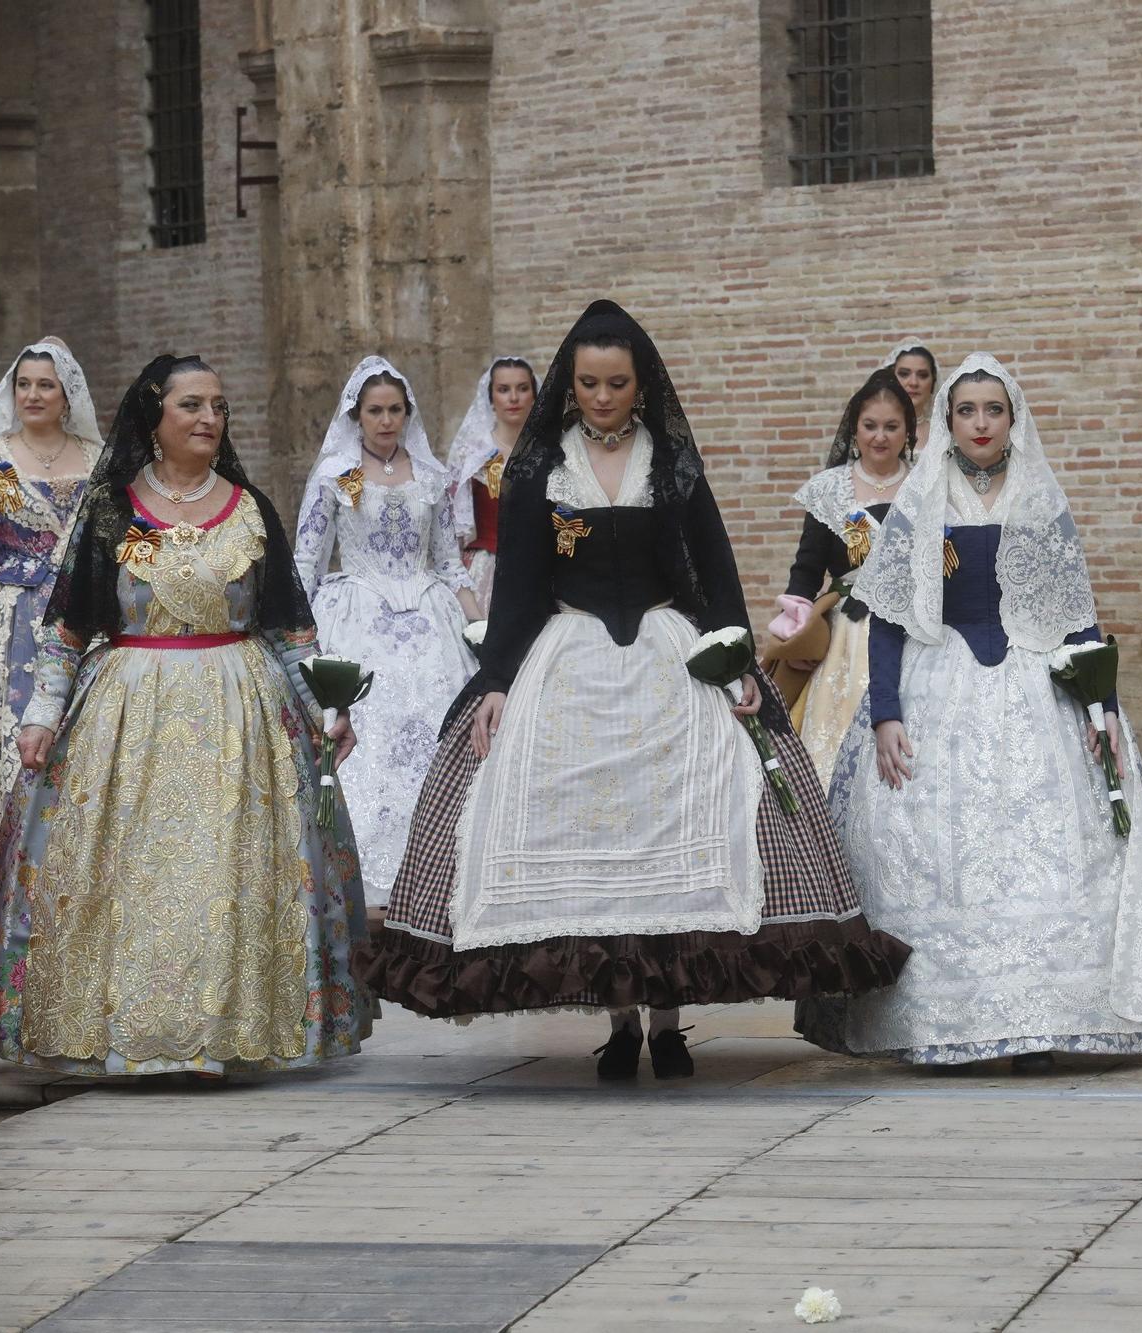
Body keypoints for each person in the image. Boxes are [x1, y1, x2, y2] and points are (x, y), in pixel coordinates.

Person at [364, 300, 909, 1083]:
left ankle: (667, 1021)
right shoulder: (538, 471)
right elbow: (519, 587)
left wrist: (735, 662)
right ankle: (618, 1022)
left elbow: (715, 573)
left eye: (616, 382)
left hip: (667, 654)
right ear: (571, 384)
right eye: (588, 382)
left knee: (674, 818)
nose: (601, 396)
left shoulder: (673, 464)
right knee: (594, 834)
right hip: (568, 659)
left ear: (639, 384)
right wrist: (495, 682)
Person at [796, 353, 1142, 1071]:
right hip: (937, 683)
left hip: (1034, 687)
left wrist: (1100, 709)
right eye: (966, 410)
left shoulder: (1040, 498)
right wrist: (887, 712)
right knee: (934, 851)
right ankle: (934, 1020)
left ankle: (1042, 1022)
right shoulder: (923, 502)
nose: (981, 422)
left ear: (1013, 419)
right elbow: (890, 618)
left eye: (993, 409)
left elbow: (1076, 616)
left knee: (1044, 849)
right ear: (948, 422)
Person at [0, 354, 370, 1077]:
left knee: (230, 872)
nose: (209, 419)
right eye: (192, 405)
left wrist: (327, 707)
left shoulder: (251, 508)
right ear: (154, 418)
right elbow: (67, 625)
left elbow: (292, 628)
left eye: (219, 406)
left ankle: (222, 1032)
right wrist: (41, 715)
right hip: (127, 714)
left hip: (240, 713)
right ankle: (134, 1032)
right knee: (127, 871)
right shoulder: (111, 508)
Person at [294, 356, 477, 910]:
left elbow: (450, 563)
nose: (386, 420)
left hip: (431, 621)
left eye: (395, 409)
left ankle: (443, 868)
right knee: (364, 740)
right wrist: (296, 640)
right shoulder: (336, 475)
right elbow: (307, 559)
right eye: (375, 410)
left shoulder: (431, 476)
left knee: (440, 732)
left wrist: (480, 627)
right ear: (357, 414)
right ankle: (364, 881)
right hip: (357, 620)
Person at [0, 340, 102, 913]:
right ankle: (3, 885)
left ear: (67, 394)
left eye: (45, 385)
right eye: (24, 384)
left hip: (81, 621)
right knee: (5, 743)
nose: (32, 395)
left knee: (82, 745)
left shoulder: (100, 460)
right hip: (6, 619)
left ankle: (75, 882)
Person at [767, 367, 916, 777]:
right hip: (849, 632)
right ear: (855, 430)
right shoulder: (830, 489)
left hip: (915, 626)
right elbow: (807, 569)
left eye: (891, 426)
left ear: (908, 431)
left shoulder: (927, 487)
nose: (880, 436)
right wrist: (793, 629)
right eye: (870, 426)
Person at [446, 356, 538, 615]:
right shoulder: (473, 453)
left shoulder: (550, 452)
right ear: (490, 397)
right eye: (503, 389)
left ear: (534, 394)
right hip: (487, 570)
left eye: (522, 388)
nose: (513, 398)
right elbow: (451, 531)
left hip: (540, 569)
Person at [880, 340, 937, 453]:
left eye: (922, 375)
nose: (913, 383)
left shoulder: (942, 433)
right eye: (904, 374)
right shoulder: (875, 430)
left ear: (933, 382)